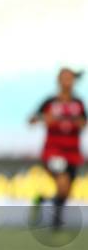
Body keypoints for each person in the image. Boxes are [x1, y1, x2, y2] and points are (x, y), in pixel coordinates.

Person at [30, 68, 86, 229]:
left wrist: (77, 122)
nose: (67, 82)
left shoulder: (79, 103)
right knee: (62, 184)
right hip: (54, 152)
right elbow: (32, 119)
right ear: (59, 81)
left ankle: (43, 202)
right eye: (64, 78)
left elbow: (84, 122)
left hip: (73, 153)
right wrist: (44, 118)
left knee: (66, 191)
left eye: (70, 78)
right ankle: (56, 222)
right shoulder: (49, 102)